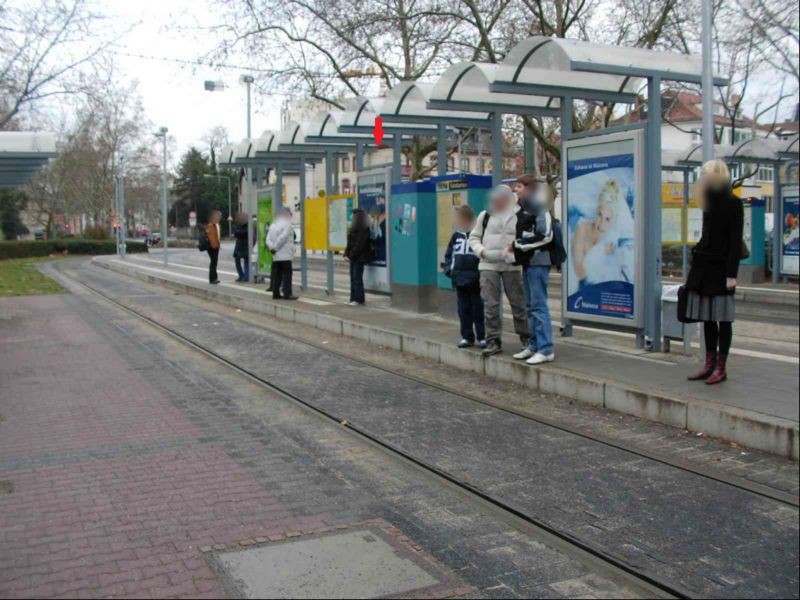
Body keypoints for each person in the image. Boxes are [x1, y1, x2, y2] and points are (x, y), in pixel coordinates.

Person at [685, 159, 744, 385]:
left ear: (716, 176)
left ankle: (721, 367)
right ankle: (709, 365)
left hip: (721, 269)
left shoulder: (733, 204)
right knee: (708, 318)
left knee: (723, 319)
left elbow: (735, 241)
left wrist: (731, 274)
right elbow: (708, 235)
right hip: (705, 267)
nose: (703, 178)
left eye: (706, 174)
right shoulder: (708, 200)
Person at [469, 184, 529, 357]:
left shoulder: (519, 214)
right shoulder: (485, 215)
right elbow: (474, 237)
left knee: (518, 303)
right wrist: (481, 251)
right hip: (488, 265)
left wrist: (516, 250)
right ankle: (493, 340)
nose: (499, 201)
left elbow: (525, 236)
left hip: (512, 265)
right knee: (491, 304)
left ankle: (525, 337)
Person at [512, 176, 555, 365]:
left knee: (539, 307)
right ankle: (534, 345)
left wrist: (522, 245)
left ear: (529, 189)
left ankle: (546, 349)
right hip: (528, 263)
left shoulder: (539, 207)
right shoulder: (523, 209)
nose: (516, 190)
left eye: (519, 187)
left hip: (538, 262)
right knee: (530, 306)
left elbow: (546, 235)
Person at [444, 204, 486, 349]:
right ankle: (467, 336)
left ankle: (482, 336)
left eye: (459, 218)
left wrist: (481, 274)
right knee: (463, 310)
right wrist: (450, 270)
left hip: (475, 279)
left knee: (478, 309)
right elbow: (449, 255)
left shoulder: (478, 235)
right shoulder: (455, 236)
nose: (457, 221)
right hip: (459, 279)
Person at [266, 207, 298, 300]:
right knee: (287, 275)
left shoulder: (273, 225)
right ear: (286, 215)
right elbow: (283, 238)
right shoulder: (287, 224)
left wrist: (272, 248)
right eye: (290, 214)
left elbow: (267, 239)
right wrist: (275, 248)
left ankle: (275, 293)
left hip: (276, 255)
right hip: (285, 255)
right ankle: (287, 294)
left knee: (277, 275)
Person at [344, 209, 372, 306]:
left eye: (353, 216)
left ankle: (359, 299)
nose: (352, 217)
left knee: (357, 278)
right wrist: (346, 254)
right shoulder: (354, 228)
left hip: (359, 257)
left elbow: (359, 245)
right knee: (353, 278)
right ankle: (353, 298)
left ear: (358, 217)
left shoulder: (363, 229)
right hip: (353, 257)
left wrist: (350, 255)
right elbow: (349, 243)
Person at [232, 212, 252, 282]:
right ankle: (241, 275)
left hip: (246, 246)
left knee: (247, 261)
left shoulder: (249, 225)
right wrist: (239, 233)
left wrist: (239, 233)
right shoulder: (238, 225)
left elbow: (244, 233)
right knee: (237, 260)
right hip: (239, 246)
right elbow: (236, 233)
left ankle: (246, 276)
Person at [205, 210, 222, 284]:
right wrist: (214, 246)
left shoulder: (216, 225)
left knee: (214, 262)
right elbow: (211, 237)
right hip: (212, 247)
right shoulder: (211, 225)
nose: (219, 218)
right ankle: (212, 279)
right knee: (213, 262)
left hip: (216, 246)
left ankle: (214, 278)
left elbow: (217, 236)